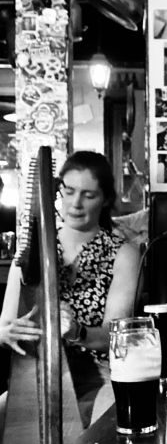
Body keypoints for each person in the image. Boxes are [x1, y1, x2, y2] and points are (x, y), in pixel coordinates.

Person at [0, 152, 140, 428]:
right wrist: (7, 332)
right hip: (37, 374)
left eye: (88, 195)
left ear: (105, 199)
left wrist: (76, 331)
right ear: (58, 192)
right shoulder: (31, 254)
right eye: (70, 191)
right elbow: (4, 325)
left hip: (98, 376)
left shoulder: (123, 253)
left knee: (98, 425)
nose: (76, 203)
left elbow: (115, 334)